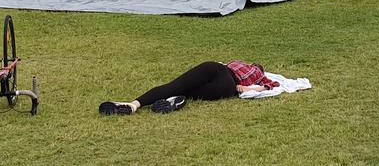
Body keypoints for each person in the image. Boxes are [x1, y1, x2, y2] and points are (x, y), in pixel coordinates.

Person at [98, 60, 280, 116]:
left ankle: (133, 104)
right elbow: (271, 86)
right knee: (185, 91)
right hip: (227, 88)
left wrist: (248, 87)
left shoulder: (236, 63)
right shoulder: (260, 75)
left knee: (175, 85)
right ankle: (177, 101)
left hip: (216, 69)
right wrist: (252, 89)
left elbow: (221, 65)